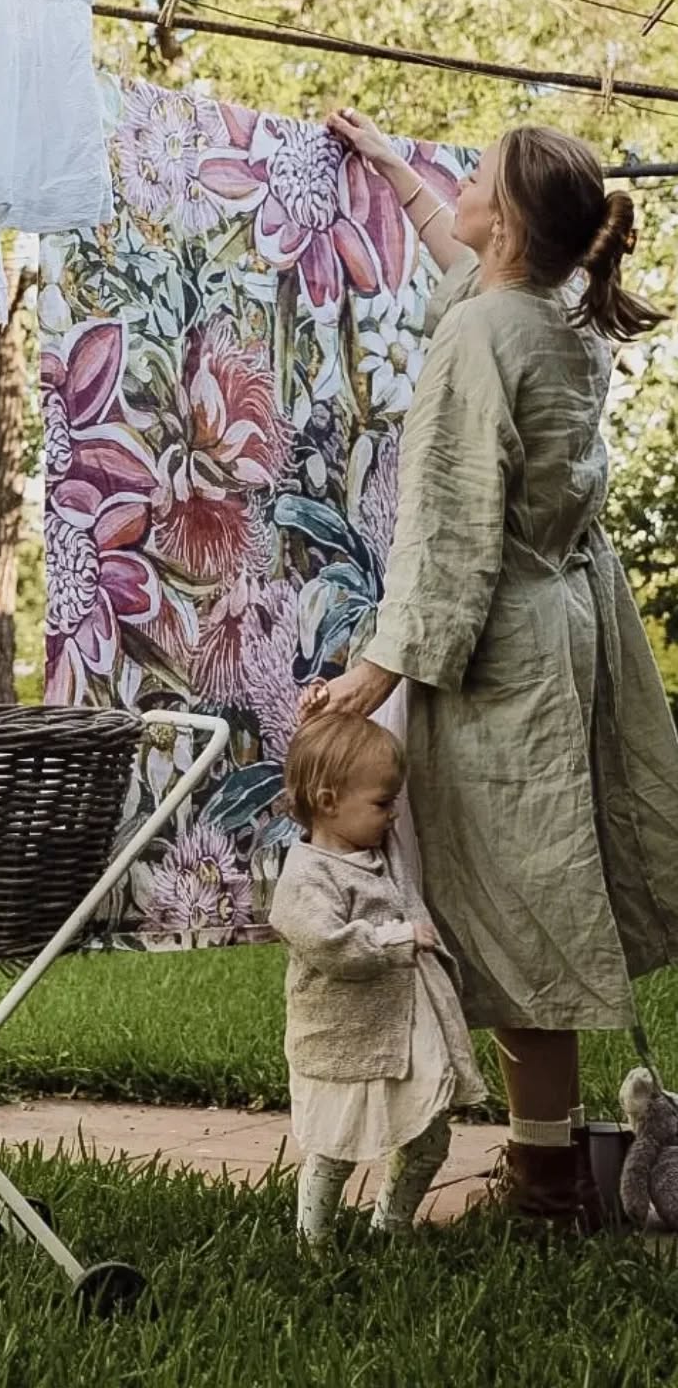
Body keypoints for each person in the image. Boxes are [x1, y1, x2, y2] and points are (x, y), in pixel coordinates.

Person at [301, 112, 678, 1228]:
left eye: (469, 176)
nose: (452, 186)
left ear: (504, 222)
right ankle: (545, 1162)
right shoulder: (558, 316)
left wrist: (379, 669)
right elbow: (466, 263)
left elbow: (450, 521)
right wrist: (388, 164)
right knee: (539, 891)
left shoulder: (480, 335)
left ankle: (544, 1181)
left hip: (497, 647)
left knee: (516, 905)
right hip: (562, 630)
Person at [271, 712, 486, 1245]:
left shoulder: (377, 850)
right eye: (383, 803)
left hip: (403, 1035)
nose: (394, 815)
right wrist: (396, 940)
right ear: (327, 802)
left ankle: (392, 1225)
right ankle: (313, 1241)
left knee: (429, 1138)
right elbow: (330, 945)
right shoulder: (305, 877)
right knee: (335, 1147)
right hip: (345, 1041)